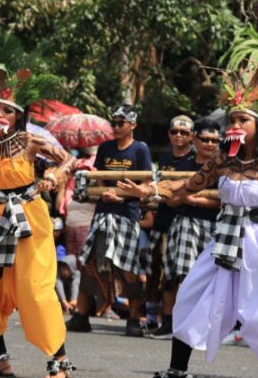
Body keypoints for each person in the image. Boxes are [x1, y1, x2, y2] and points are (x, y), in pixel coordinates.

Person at [118, 74, 258, 377]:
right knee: (191, 296)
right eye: (231, 119)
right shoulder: (223, 160)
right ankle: (177, 369)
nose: (233, 125)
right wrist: (149, 192)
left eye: (242, 120)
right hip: (224, 241)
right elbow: (186, 188)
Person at [0, 66, 77, 378]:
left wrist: (55, 174)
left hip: (30, 216)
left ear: (18, 116)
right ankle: (0, 360)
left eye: (6, 110)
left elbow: (69, 160)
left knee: (35, 289)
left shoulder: (31, 142)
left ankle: (59, 362)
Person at [67, 104, 152, 337]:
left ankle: (133, 320)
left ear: (132, 125)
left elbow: (146, 185)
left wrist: (121, 196)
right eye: (113, 122)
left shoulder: (140, 150)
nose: (115, 127)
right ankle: (81, 316)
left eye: (120, 123)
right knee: (91, 263)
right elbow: (99, 177)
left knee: (129, 268)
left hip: (127, 216)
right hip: (103, 214)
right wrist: (105, 191)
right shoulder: (105, 148)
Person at [150, 118, 221, 340]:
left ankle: (196, 325)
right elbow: (169, 200)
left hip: (212, 227)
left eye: (214, 140)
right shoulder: (183, 166)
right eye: (205, 139)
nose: (209, 144)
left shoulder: (222, 167)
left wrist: (191, 199)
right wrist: (192, 199)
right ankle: (171, 323)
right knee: (174, 275)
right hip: (182, 224)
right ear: (195, 139)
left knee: (206, 279)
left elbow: (223, 201)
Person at [146, 116, 195, 330]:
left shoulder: (196, 160)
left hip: (185, 223)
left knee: (182, 275)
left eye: (184, 133)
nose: (178, 136)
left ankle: (180, 321)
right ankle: (161, 319)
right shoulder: (164, 158)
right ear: (169, 134)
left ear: (191, 136)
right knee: (157, 271)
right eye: (175, 131)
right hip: (162, 221)